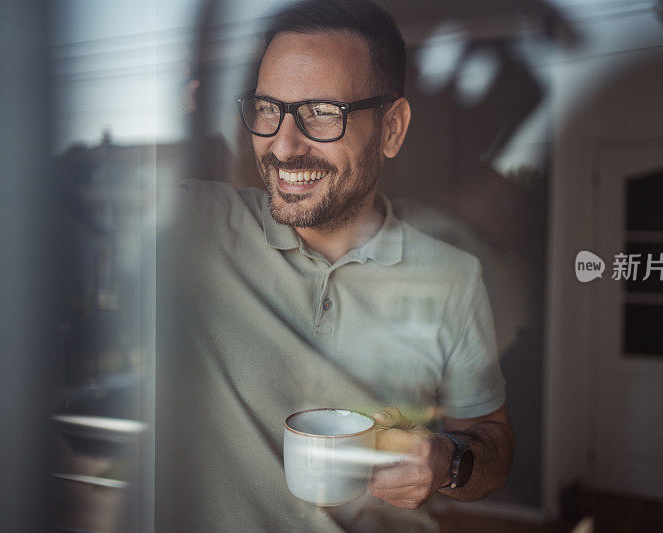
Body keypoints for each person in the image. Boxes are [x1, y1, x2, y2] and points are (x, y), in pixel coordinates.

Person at [156, 0, 514, 531]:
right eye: (266, 108)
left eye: (322, 111)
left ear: (392, 128)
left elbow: (492, 442)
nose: (282, 144)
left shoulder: (453, 279)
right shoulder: (194, 228)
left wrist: (450, 462)